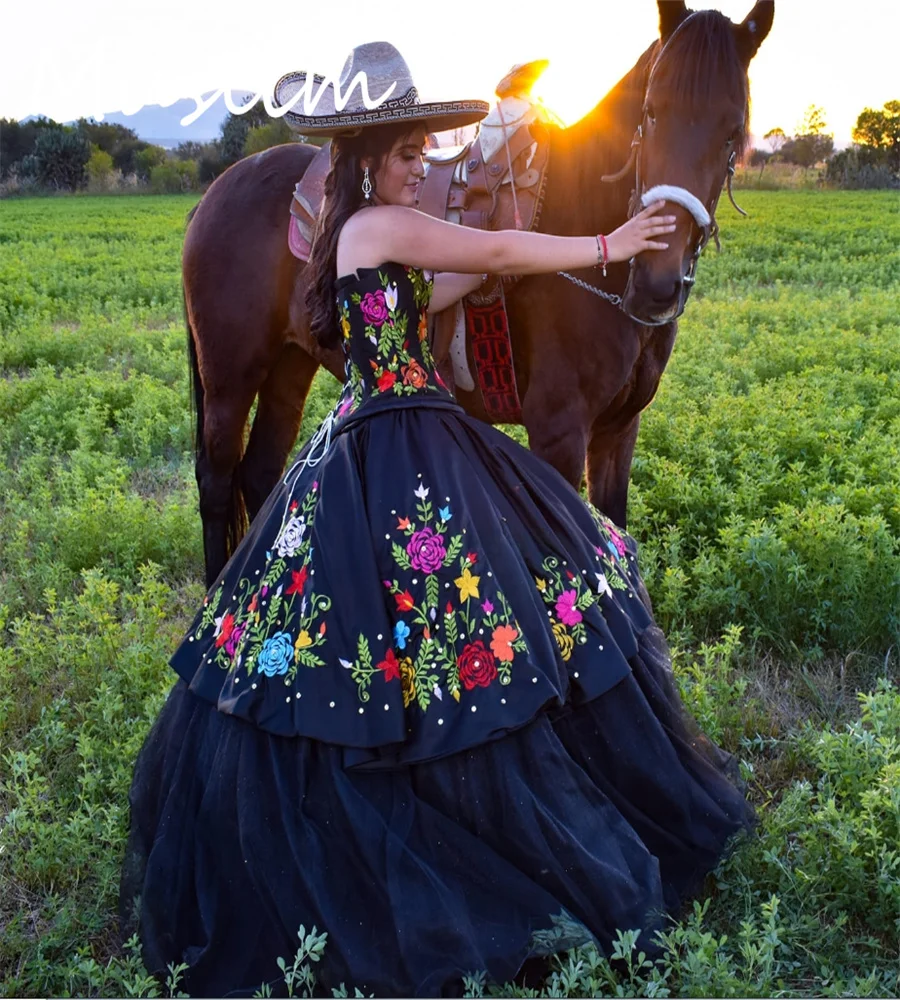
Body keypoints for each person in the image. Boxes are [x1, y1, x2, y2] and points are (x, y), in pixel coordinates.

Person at [120, 40, 756, 999]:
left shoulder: (373, 240)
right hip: (401, 437)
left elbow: (457, 283)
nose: (424, 164)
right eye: (412, 150)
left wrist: (504, 245)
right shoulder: (380, 226)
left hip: (384, 432)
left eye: (426, 150)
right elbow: (492, 252)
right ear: (371, 155)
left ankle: (424, 781)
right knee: (461, 610)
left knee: (410, 625)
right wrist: (606, 246)